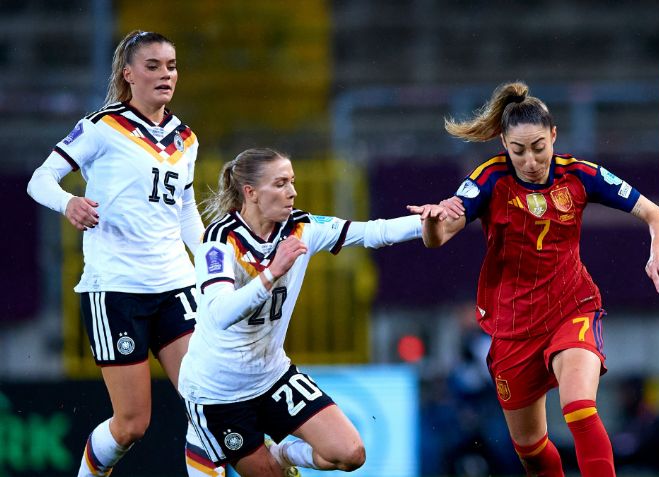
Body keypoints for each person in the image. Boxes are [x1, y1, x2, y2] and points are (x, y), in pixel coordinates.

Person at [408, 81, 659, 477]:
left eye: (538, 147)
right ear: (503, 143)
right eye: (518, 151)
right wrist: (431, 223)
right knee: (531, 452)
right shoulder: (489, 179)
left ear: (554, 135)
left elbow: (658, 215)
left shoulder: (580, 175)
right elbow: (439, 239)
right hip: (513, 326)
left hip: (572, 308)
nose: (530, 160)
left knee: (579, 407)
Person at [26, 30, 225, 477]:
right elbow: (40, 179)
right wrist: (69, 202)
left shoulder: (186, 138)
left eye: (171, 66)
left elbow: (186, 217)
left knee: (208, 402)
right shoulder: (102, 127)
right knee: (133, 423)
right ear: (128, 74)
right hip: (115, 290)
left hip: (175, 285)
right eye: (153, 66)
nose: (165, 74)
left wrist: (219, 264)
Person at [178, 147, 432, 477]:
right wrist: (272, 273)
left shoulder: (301, 227)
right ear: (251, 193)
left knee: (351, 453)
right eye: (281, 183)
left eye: (293, 182)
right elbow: (218, 314)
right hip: (218, 392)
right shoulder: (219, 240)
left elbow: (373, 232)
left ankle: (280, 452)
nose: (293, 192)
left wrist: (427, 220)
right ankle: (204, 437)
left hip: (272, 376)